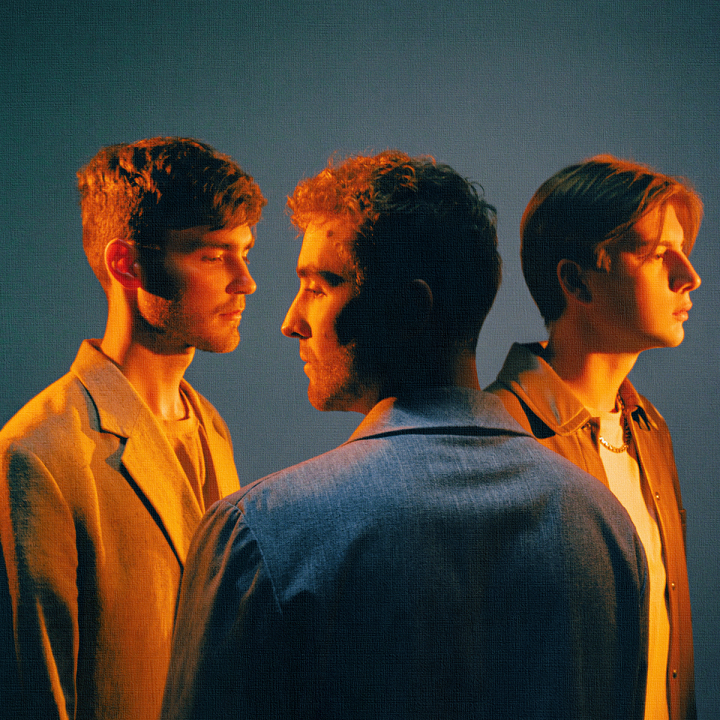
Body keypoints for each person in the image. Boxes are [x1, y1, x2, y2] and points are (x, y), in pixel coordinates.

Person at [161, 151, 649, 720]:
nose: (292, 321)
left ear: (411, 308)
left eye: (320, 286)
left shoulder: (261, 533)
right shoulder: (603, 526)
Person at [0, 137, 266, 720]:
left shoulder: (209, 426)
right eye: (213, 255)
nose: (245, 281)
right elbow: (37, 695)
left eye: (245, 251)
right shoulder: (39, 453)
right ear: (127, 264)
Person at [486, 155, 702, 720]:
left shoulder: (648, 429)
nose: (689, 275)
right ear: (576, 280)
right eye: (658, 254)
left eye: (683, 251)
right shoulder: (496, 435)